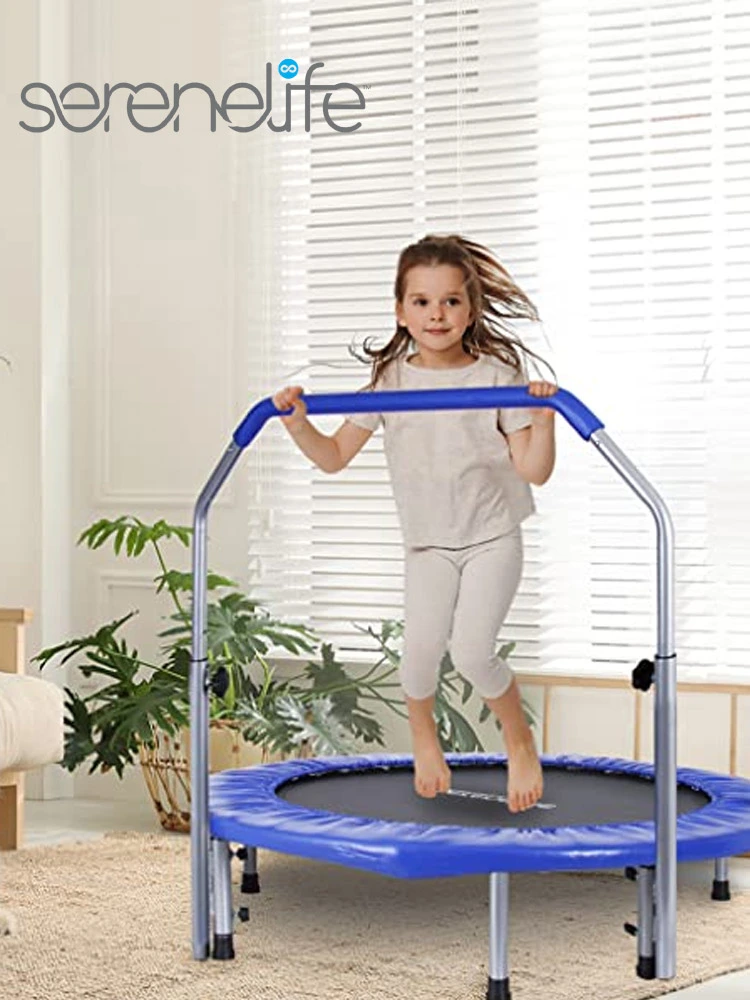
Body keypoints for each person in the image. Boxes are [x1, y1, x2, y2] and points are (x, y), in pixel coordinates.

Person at [272, 234, 557, 813]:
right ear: (401, 311)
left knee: (474, 651)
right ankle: (426, 742)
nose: (437, 315)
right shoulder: (391, 382)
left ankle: (519, 739)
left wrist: (545, 418)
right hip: (428, 543)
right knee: (419, 656)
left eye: (451, 301)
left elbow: (534, 470)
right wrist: (297, 423)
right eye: (422, 302)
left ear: (470, 308)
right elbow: (332, 457)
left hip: (491, 534)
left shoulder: (498, 375)